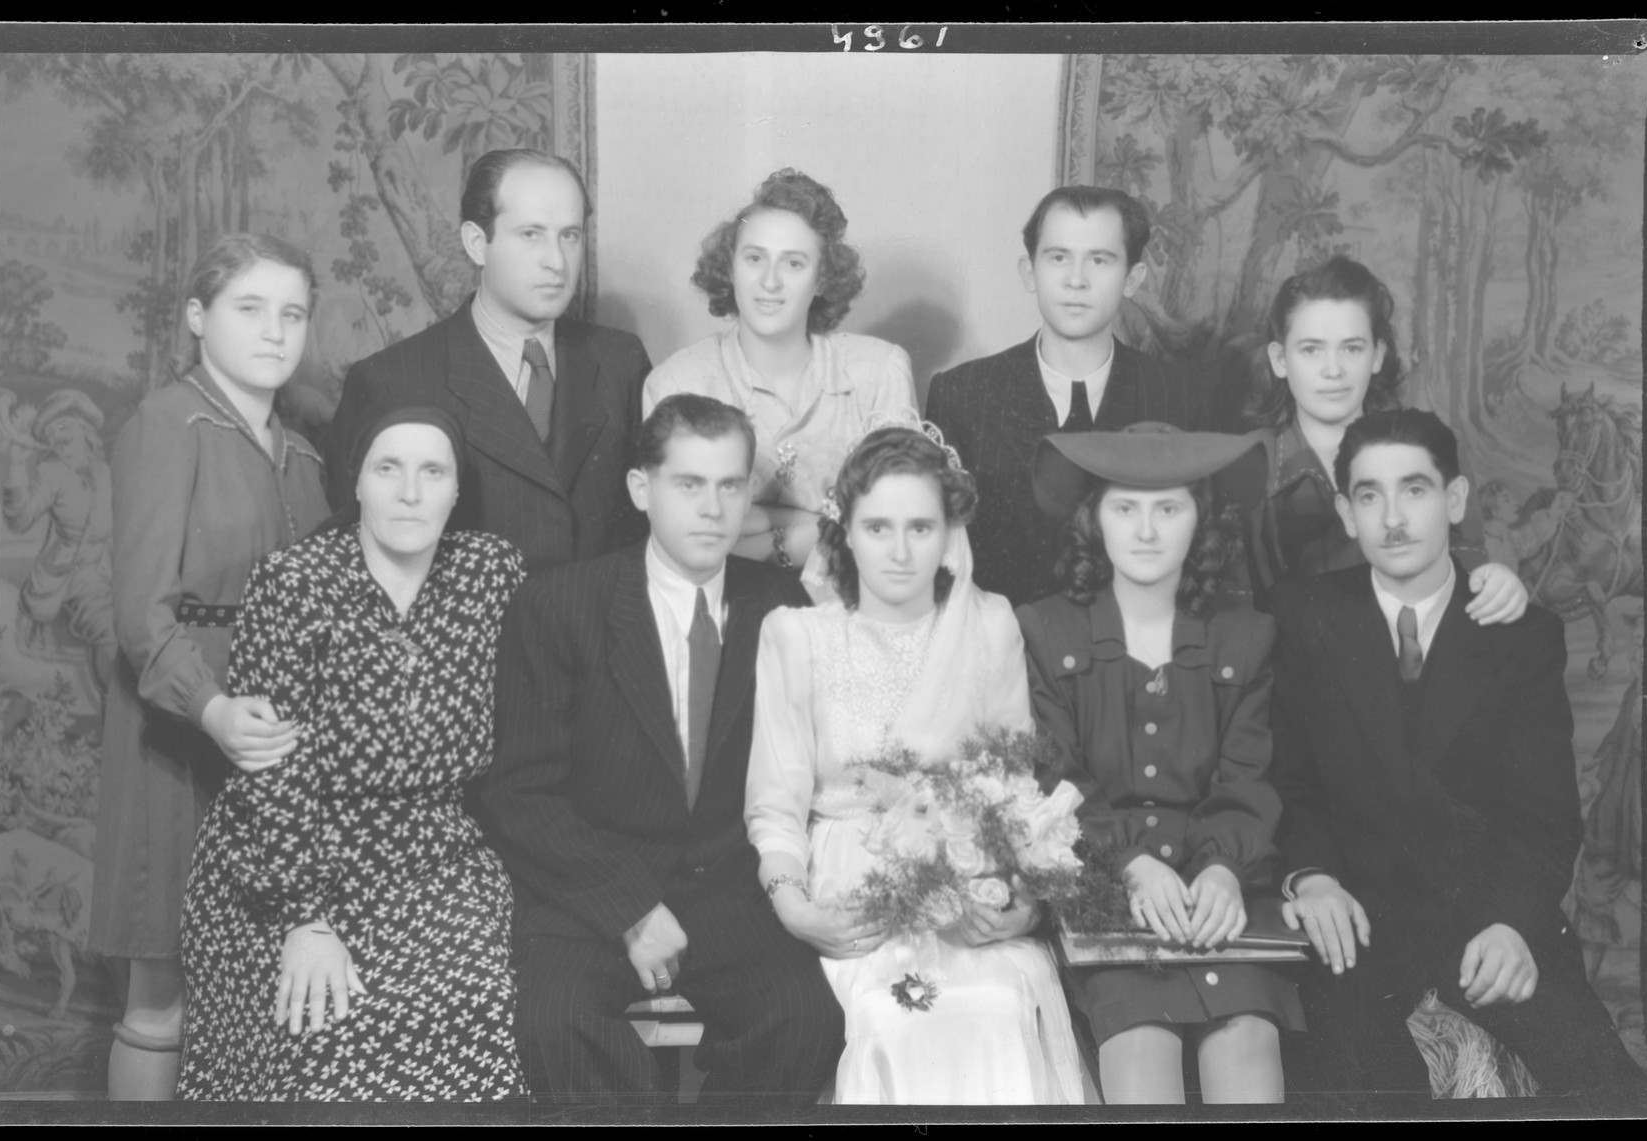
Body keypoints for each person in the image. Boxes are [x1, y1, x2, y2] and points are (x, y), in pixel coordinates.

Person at [1268, 409, 1647, 1099]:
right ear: (1345, 513)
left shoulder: (1521, 634)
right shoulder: (1305, 617)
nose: (1392, 517)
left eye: (1414, 490)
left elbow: (1547, 816)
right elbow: (1291, 783)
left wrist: (1513, 922)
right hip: (1358, 927)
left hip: (1486, 917)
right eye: (1368, 495)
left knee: (1611, 1090)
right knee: (1365, 1088)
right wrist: (1312, 876)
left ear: (1456, 500)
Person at [476, 394, 844, 1106]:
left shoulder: (786, 605)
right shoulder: (559, 603)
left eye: (730, 485)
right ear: (642, 489)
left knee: (804, 1020)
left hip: (727, 889)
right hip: (592, 890)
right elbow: (518, 791)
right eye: (688, 483)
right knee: (555, 1020)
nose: (712, 507)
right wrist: (631, 908)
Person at [176, 400, 528, 1101]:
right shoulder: (294, 583)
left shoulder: (492, 573)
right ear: (356, 482)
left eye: (433, 471)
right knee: (328, 1035)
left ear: (458, 489)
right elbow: (269, 773)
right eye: (387, 468)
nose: (409, 491)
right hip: (292, 857)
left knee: (470, 1007)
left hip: (436, 855)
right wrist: (305, 922)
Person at [745, 424, 1089, 1105]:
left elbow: (1014, 787)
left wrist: (1014, 903)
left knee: (995, 1004)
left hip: (969, 878)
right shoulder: (798, 635)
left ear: (949, 530)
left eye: (920, 527)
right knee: (895, 1016)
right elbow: (775, 805)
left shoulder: (990, 623)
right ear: (845, 530)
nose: (900, 552)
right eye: (878, 527)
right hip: (852, 888)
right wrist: (795, 906)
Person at [88, 233, 331, 1100]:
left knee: (262, 986)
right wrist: (215, 707)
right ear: (198, 318)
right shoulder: (168, 421)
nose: (275, 331)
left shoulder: (304, 454)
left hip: (273, 745)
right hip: (176, 733)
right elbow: (140, 615)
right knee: (163, 995)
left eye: (292, 313)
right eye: (250, 308)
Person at [1017, 423, 1299, 1104]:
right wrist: (1133, 864)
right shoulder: (1043, 629)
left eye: (1168, 508)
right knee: (1142, 1045)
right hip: (1110, 889)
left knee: (1247, 1045)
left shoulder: (1246, 634)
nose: (1146, 530)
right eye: (1125, 508)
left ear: (1201, 519)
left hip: (1218, 893)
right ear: (1095, 519)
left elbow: (1247, 777)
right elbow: (1057, 782)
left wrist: (1225, 871)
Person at [330, 148, 651, 575]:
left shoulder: (621, 362)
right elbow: (356, 558)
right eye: (531, 234)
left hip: (599, 637)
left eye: (569, 236)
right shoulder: (390, 378)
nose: (556, 261)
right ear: (476, 243)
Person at [925, 186, 1216, 611]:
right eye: (1058, 257)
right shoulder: (962, 394)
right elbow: (941, 555)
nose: (1076, 280)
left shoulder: (1179, 393)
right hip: (1004, 646)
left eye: (1099, 260)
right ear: (1030, 272)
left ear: (1132, 279)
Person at [642, 168, 916, 581]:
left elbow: (896, 529)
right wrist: (821, 525)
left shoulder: (879, 372)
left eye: (793, 263)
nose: (769, 282)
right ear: (730, 268)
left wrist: (760, 530)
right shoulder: (677, 383)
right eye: (754, 259)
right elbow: (681, 539)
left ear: (822, 278)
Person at [1244, 255, 1527, 622]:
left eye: (1352, 348)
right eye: (1311, 349)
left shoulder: (1432, 449)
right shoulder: (1250, 467)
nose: (1333, 370)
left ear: (1377, 355)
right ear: (1280, 359)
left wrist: (1495, 582)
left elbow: (1468, 563)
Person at [0, 388, 116, 707]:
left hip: (109, 574)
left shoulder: (105, 474)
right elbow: (19, 519)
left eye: (64, 426)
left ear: (85, 430)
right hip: (71, 581)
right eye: (51, 432)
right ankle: (116, 709)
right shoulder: (51, 474)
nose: (57, 436)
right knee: (111, 632)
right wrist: (16, 468)